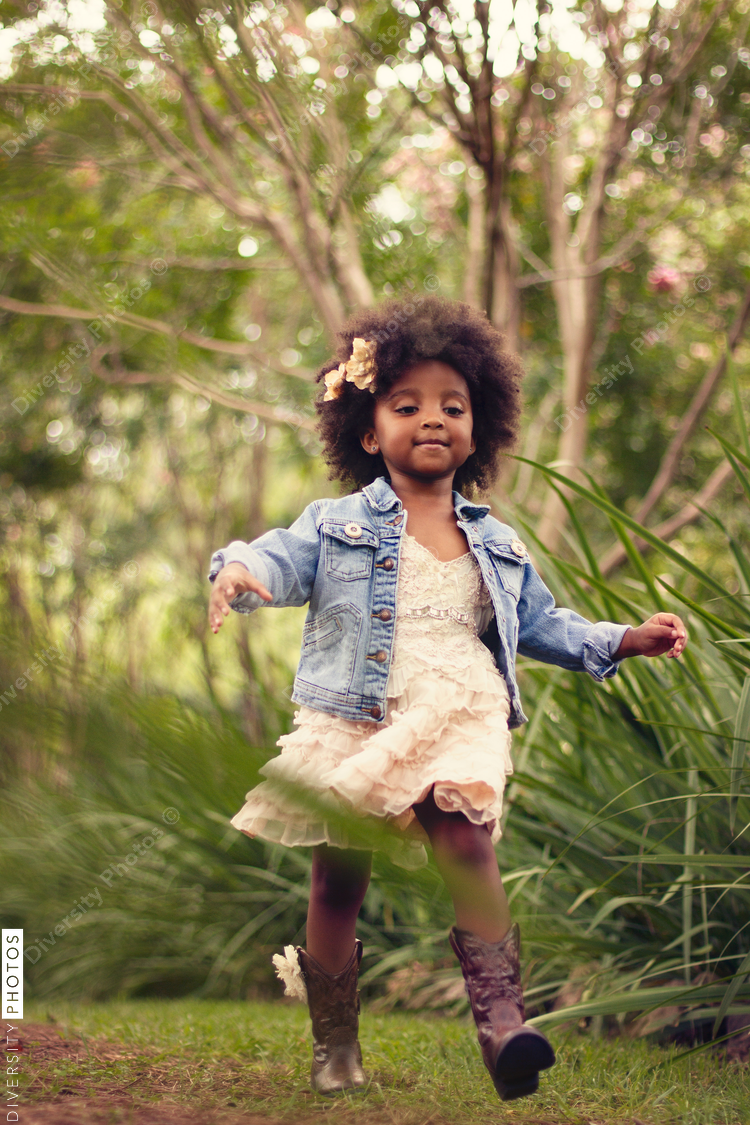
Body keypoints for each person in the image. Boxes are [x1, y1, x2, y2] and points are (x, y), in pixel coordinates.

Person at [207, 296, 687, 1102]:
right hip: (357, 716)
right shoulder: (336, 525)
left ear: (479, 427)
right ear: (369, 431)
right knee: (338, 880)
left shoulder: (495, 541)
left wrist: (620, 638)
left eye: (452, 406)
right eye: (408, 405)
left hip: (459, 709)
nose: (433, 419)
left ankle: (504, 1027)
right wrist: (240, 570)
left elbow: (540, 622)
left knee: (467, 843)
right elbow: (277, 560)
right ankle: (335, 1045)